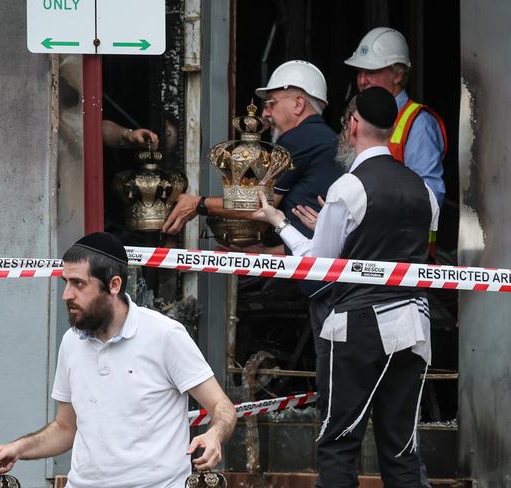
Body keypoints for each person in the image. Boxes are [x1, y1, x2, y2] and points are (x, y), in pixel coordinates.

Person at [251, 87, 440, 487]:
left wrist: (278, 222)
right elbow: (402, 247)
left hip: (359, 326)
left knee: (339, 445)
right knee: (402, 451)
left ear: (353, 125)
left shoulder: (348, 188)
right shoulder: (424, 192)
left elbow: (319, 266)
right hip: (415, 326)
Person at [0, 232, 236, 487]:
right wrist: (17, 448)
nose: (66, 295)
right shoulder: (72, 341)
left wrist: (214, 434)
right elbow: (65, 427)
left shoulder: (165, 335)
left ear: (114, 285)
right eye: (65, 282)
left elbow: (222, 407)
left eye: (78, 284)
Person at [162, 60, 343, 253]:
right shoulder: (326, 138)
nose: (265, 113)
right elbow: (309, 236)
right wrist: (263, 253)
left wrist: (198, 203)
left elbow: (258, 205)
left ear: (298, 104)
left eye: (271, 103)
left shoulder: (300, 138)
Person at [345, 26, 447, 207]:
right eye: (359, 72)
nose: (361, 81)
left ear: (398, 75)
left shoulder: (418, 123)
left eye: (372, 72)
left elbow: (429, 197)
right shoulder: (360, 115)